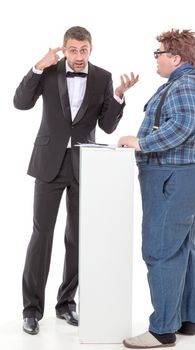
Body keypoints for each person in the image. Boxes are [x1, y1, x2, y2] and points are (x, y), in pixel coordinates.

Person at [14, 26, 139, 335]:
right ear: (64, 49)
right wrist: (36, 67)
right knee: (41, 235)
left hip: (86, 164)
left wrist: (119, 96)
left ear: (90, 50)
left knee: (78, 237)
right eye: (73, 50)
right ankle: (32, 309)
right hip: (48, 165)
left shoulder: (102, 77)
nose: (78, 56)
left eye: (84, 50)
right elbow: (21, 103)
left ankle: (66, 303)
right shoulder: (49, 71)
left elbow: (108, 127)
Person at [118, 29, 195, 348]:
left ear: (175, 58)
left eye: (158, 54)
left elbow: (181, 127)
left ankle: (162, 329)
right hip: (193, 175)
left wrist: (140, 142)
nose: (156, 60)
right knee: (184, 248)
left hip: (174, 178)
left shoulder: (186, 84)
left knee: (161, 251)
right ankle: (184, 318)